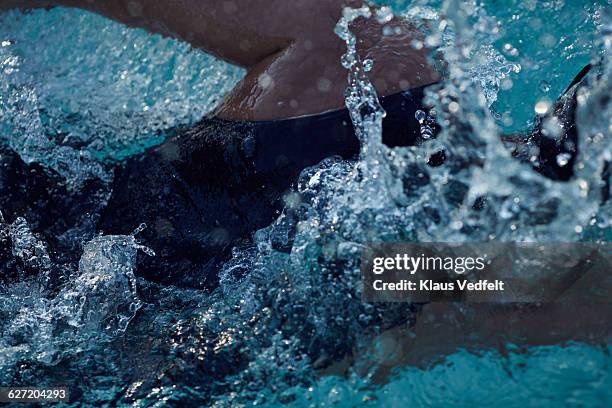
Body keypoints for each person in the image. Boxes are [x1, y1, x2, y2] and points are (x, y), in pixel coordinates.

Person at [0, 0, 595, 289]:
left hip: (127, 335)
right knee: (356, 51)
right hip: (109, 264)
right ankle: (500, 183)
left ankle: (492, 205)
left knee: (507, 287)